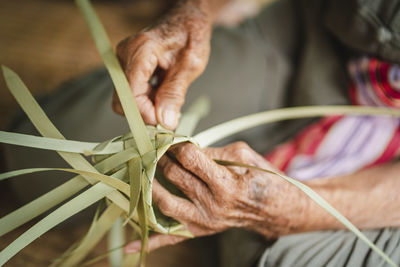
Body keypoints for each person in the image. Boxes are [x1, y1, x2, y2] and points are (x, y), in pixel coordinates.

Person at [3, 0, 400, 266]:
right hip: (314, 52)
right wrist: (194, 11)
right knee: (44, 160)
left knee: (277, 257)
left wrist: (297, 210)